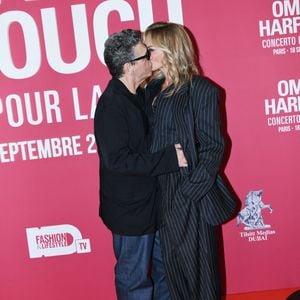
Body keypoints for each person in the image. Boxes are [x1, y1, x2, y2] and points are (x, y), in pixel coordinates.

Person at [143, 22, 237, 300]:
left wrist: (189, 193)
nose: (145, 55)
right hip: (157, 194)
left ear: (170, 50)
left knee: (198, 277)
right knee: (166, 276)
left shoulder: (202, 90)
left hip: (188, 194)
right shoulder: (150, 90)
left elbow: (213, 146)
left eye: (150, 49)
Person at [94, 29, 187, 300]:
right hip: (130, 212)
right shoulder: (111, 106)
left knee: (165, 271)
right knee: (134, 279)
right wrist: (169, 159)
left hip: (154, 205)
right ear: (129, 66)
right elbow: (117, 160)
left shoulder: (140, 93)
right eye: (145, 55)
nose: (151, 58)